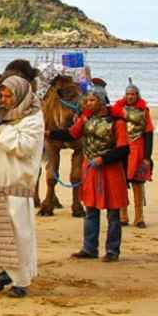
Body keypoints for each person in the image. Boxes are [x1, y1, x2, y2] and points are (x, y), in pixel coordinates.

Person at [50, 79, 130, 262]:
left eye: (92, 100)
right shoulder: (86, 119)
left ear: (101, 102)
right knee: (91, 209)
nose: (87, 103)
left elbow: (123, 148)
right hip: (92, 171)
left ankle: (112, 250)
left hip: (111, 171)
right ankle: (89, 247)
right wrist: (51, 133)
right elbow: (72, 134)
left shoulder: (117, 122)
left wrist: (104, 158)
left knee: (113, 212)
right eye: (87, 101)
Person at [0, 75, 44, 298]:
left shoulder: (33, 118)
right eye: (2, 95)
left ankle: (21, 281)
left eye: (9, 96)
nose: (4, 100)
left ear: (20, 95)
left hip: (16, 186)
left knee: (17, 236)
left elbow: (23, 146)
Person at [112, 79, 154, 228]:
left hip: (138, 149)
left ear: (137, 95)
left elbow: (148, 133)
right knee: (122, 183)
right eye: (128, 94)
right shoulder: (118, 110)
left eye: (133, 94)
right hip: (122, 149)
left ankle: (139, 217)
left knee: (138, 183)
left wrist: (148, 156)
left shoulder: (144, 111)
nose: (130, 97)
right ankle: (123, 217)